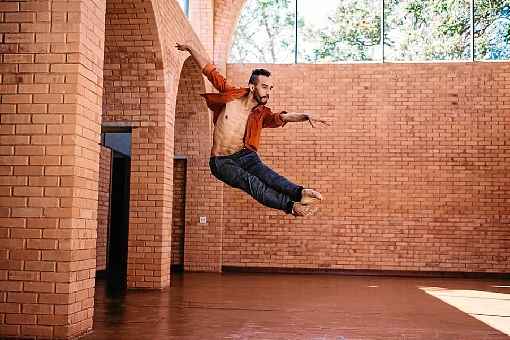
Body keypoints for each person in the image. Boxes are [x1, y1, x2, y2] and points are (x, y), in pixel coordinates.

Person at [176, 43, 330, 217]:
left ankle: (300, 192)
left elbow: (282, 117)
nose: (268, 92)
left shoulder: (261, 113)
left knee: (269, 176)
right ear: (252, 87)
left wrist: (304, 115)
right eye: (264, 87)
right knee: (252, 182)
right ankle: (291, 206)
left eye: (270, 88)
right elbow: (209, 69)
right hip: (221, 161)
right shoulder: (231, 95)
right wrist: (190, 47)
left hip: (245, 155)